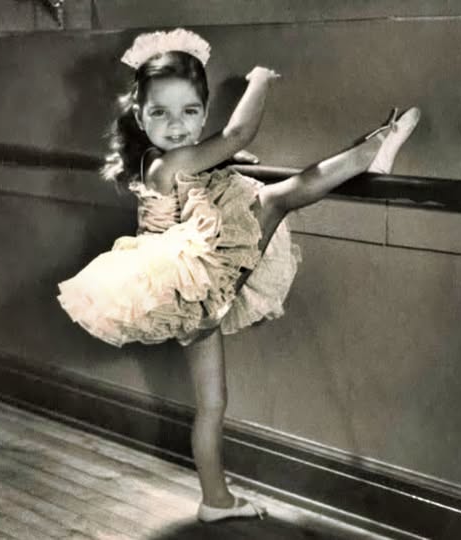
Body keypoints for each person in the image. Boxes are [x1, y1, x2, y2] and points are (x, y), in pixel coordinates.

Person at [57, 28, 420, 522]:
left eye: (189, 112)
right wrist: (261, 80)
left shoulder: (159, 160)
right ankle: (370, 152)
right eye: (160, 113)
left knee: (212, 404)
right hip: (192, 282)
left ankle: (215, 500)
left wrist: (222, 158)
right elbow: (236, 135)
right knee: (274, 198)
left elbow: (213, 156)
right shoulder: (165, 163)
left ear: (202, 111)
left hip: (188, 299)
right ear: (140, 116)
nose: (176, 125)